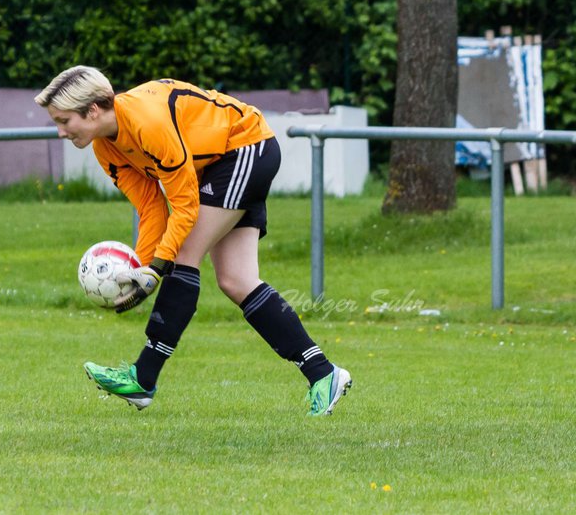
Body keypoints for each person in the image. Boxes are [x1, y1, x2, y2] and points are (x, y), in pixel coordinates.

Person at [36, 65, 351, 415]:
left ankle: (143, 377)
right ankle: (323, 373)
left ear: (92, 110)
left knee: (183, 252)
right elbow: (151, 207)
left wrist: (157, 269)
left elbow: (184, 205)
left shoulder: (147, 122)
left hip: (245, 145)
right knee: (236, 280)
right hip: (220, 163)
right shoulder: (105, 148)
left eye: (64, 121)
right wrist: (140, 270)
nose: (61, 132)